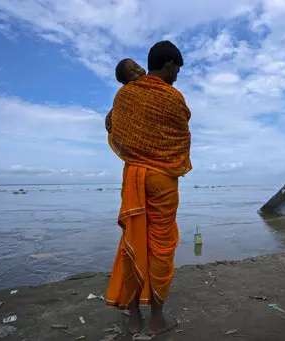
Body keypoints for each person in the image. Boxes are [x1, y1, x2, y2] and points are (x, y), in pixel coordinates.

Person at [105, 41, 192, 338]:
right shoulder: (173, 97)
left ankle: (133, 316)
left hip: (134, 177)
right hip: (162, 181)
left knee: (133, 239)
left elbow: (115, 130)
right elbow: (180, 135)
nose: (177, 75)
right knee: (161, 248)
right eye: (177, 69)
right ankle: (156, 319)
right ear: (168, 65)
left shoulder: (124, 95)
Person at [105, 58, 146, 133]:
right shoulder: (128, 94)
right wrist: (112, 112)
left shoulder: (154, 79)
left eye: (137, 67)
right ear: (126, 83)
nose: (138, 71)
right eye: (132, 74)